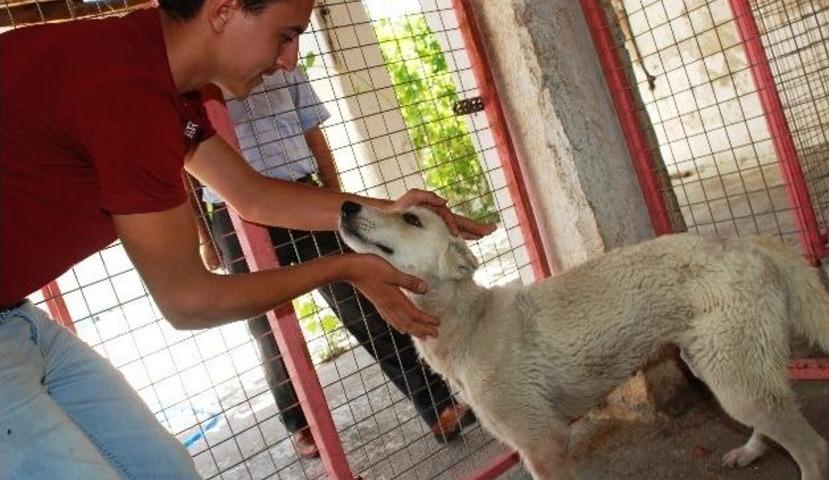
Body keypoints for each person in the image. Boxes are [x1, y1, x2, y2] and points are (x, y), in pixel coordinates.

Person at [0, 0, 494, 478]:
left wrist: (390, 211)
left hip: (15, 319)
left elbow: (251, 195)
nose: (289, 61)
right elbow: (188, 301)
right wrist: (345, 266)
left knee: (165, 470)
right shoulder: (127, 96)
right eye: (285, 35)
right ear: (223, 11)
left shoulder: (151, 65)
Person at [196, 68, 475, 457]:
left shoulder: (286, 67)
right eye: (286, 36)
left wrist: (335, 197)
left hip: (303, 198)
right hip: (232, 215)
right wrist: (205, 236)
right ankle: (300, 424)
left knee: (367, 301)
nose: (288, 54)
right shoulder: (194, 82)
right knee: (269, 330)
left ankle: (436, 404)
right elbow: (187, 167)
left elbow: (313, 134)